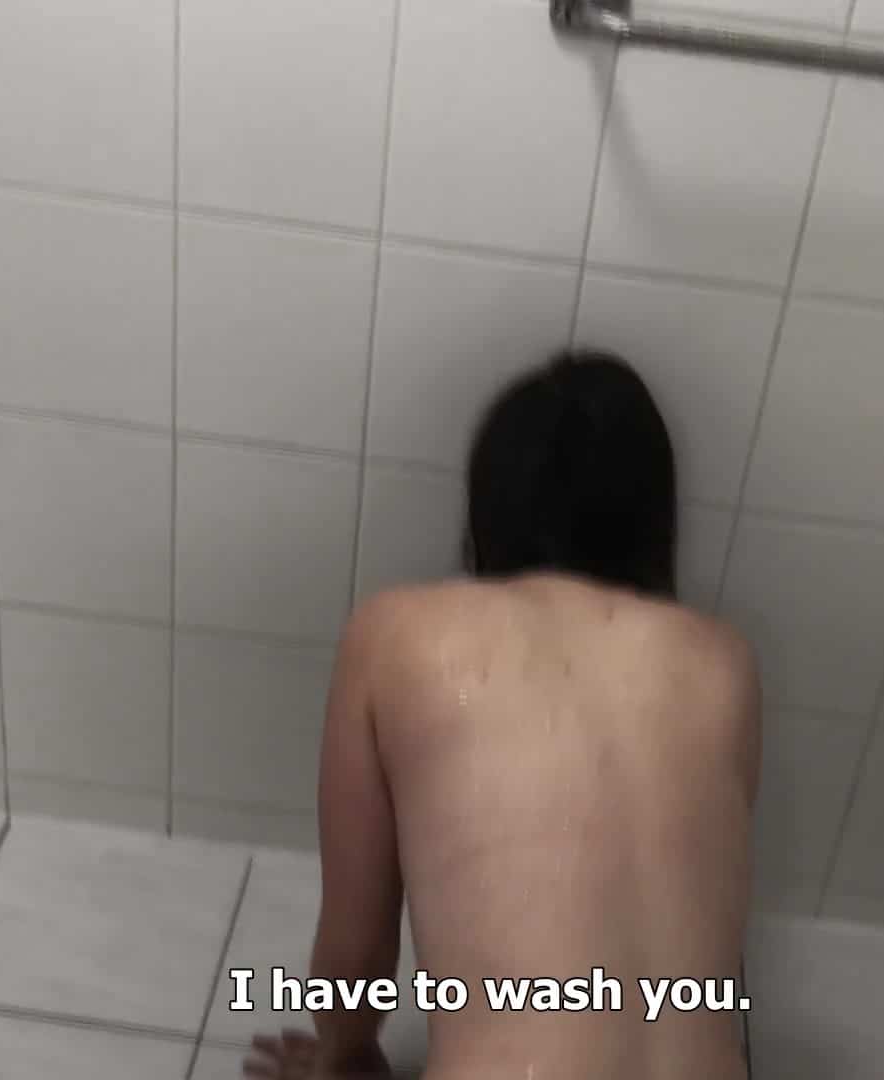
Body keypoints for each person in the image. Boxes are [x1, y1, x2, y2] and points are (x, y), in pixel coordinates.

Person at [244, 349, 761, 1080]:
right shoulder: (725, 664)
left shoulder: (397, 636)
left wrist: (342, 1058)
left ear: (489, 507)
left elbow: (354, 961)